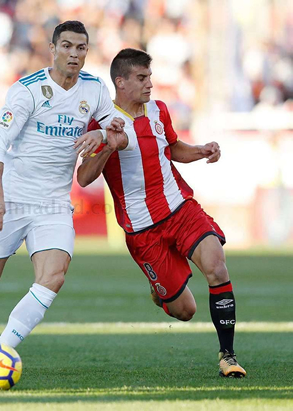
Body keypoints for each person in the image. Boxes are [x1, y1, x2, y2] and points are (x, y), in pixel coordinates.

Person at [0, 20, 136, 349]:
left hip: (54, 204)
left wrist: (104, 134)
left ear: (87, 52)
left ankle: (1, 349)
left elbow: (123, 135)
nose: (74, 54)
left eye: (81, 48)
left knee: (53, 276)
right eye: (66, 46)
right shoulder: (28, 89)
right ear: (52, 49)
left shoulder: (94, 90)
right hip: (13, 198)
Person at [77, 48, 246, 378]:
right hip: (143, 231)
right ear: (121, 82)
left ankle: (228, 355)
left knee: (216, 266)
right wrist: (109, 146)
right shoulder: (102, 123)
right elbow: (84, 177)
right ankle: (161, 291)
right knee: (185, 311)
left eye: (150, 77)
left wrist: (201, 150)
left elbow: (173, 148)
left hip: (181, 209)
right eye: (142, 78)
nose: (149, 84)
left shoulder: (159, 110)